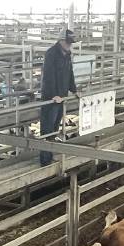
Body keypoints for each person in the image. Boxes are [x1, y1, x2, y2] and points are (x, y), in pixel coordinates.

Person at [39, 30, 78, 166]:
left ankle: (50, 155)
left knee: (54, 127)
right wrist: (53, 95)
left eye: (70, 43)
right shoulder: (51, 54)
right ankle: (45, 159)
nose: (69, 45)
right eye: (67, 43)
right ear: (61, 40)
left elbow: (70, 72)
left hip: (62, 97)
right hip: (51, 98)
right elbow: (48, 77)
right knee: (47, 128)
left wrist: (74, 90)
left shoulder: (67, 54)